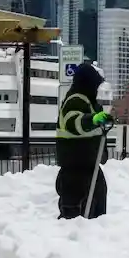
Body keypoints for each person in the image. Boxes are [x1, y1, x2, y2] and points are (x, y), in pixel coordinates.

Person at [55, 61, 112, 219]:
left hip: (88, 164)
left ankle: (95, 228)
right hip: (74, 167)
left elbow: (95, 130)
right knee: (75, 210)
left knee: (96, 202)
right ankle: (71, 232)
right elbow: (74, 122)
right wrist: (93, 119)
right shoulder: (75, 100)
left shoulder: (91, 103)